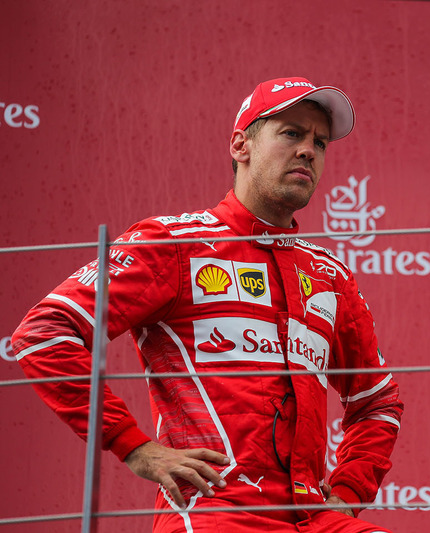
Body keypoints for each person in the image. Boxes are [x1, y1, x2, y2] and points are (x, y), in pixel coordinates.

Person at [12, 77, 403, 532]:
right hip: (216, 512)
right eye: (291, 133)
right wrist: (133, 445)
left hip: (313, 516)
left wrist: (347, 495)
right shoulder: (175, 243)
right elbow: (45, 332)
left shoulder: (328, 274)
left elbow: (377, 402)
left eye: (319, 141)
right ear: (241, 145)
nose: (308, 151)